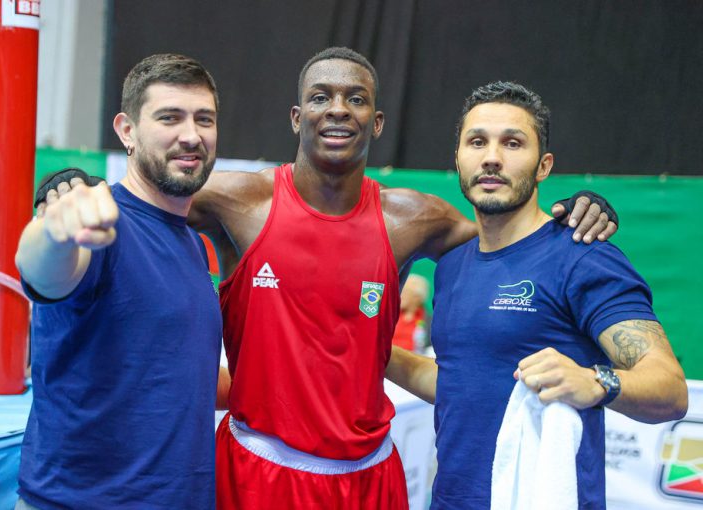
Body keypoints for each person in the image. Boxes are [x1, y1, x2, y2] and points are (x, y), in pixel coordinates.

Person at [39, 48, 617, 509]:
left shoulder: (417, 218)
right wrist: (72, 184)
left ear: (376, 119)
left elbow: (514, 238)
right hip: (257, 470)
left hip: (370, 477)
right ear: (298, 116)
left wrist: (573, 210)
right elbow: (148, 191)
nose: (337, 109)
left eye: (355, 99)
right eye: (321, 97)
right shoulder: (238, 200)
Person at [385, 81, 688, 509]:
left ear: (543, 166)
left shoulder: (583, 256)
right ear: (458, 158)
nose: (492, 157)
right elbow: (458, 381)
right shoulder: (453, 266)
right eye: (477, 142)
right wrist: (375, 352)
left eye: (512, 143)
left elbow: (671, 390)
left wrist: (595, 381)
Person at [14, 54, 223, 510]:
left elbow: (178, 373)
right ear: (127, 130)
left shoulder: (189, 242)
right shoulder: (101, 223)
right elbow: (42, 272)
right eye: (170, 117)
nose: (191, 135)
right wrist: (52, 231)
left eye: (203, 119)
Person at [392, 274, 431, 352]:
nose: (400, 295)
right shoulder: (391, 316)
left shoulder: (429, 321)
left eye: (404, 291)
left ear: (417, 297)